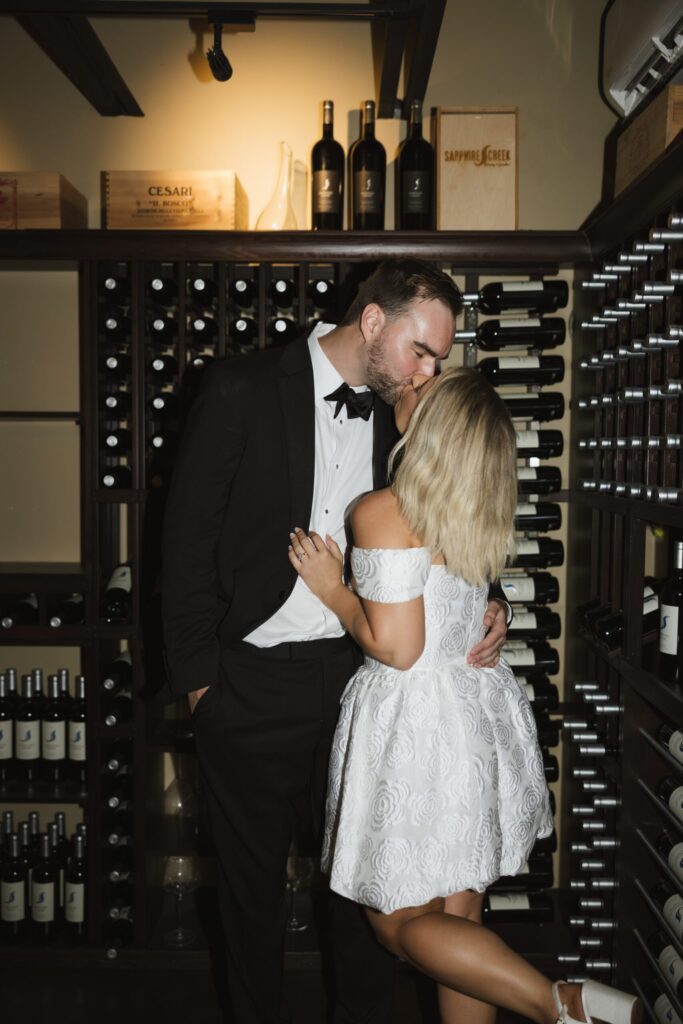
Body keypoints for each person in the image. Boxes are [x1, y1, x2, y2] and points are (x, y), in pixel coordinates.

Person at [161, 260, 512, 1024]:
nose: (429, 372)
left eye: (438, 361)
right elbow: (184, 544)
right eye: (422, 351)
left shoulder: (408, 406)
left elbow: (450, 514)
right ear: (377, 323)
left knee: (369, 890)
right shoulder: (241, 388)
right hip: (246, 684)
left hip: (364, 687)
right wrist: (201, 687)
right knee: (249, 895)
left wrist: (490, 601)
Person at [287, 367, 642, 1024]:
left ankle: (558, 1002)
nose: (409, 385)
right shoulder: (476, 508)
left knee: (395, 925)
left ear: (435, 424)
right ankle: (566, 1004)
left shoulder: (382, 510)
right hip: (475, 716)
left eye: (425, 387)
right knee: (460, 914)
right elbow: (453, 608)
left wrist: (331, 585)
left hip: (412, 727)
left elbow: (397, 647)